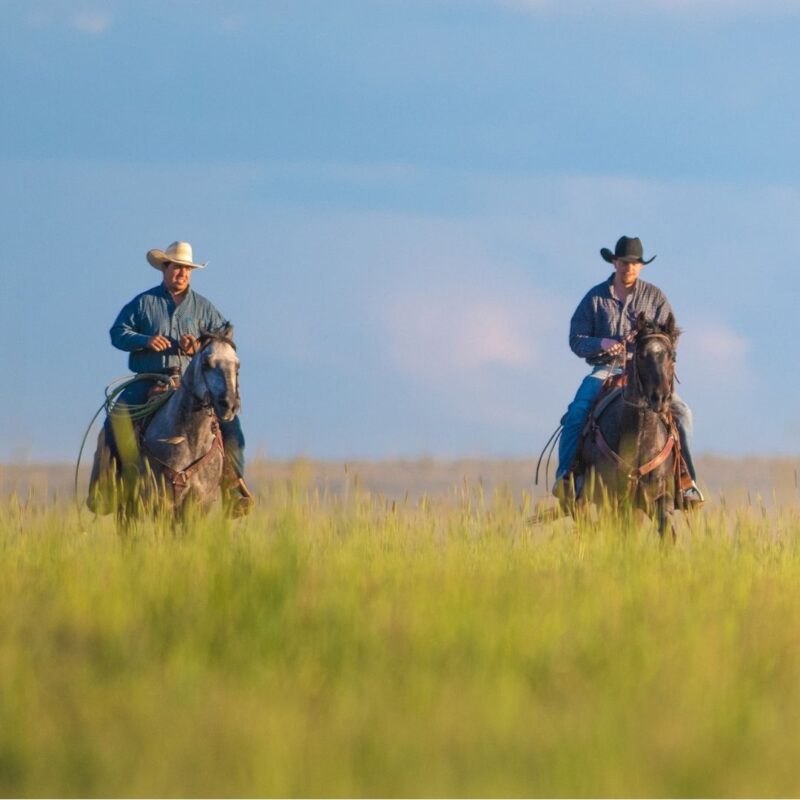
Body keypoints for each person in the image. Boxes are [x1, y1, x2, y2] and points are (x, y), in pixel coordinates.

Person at [90, 240, 253, 516]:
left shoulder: (204, 307)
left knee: (231, 426)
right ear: (164, 268)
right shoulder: (143, 303)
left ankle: (232, 487)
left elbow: (224, 337)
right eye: (177, 268)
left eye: (187, 269)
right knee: (116, 419)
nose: (182, 274)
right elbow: (117, 333)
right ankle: (106, 488)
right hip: (148, 379)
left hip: (192, 385)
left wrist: (199, 347)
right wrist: (145, 340)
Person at [554, 235, 703, 504]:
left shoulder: (655, 298)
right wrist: (602, 342)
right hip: (606, 370)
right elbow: (576, 339)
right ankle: (567, 477)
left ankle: (685, 482)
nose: (629, 268)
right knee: (576, 413)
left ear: (641, 266)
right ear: (614, 262)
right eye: (624, 263)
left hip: (646, 374)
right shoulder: (596, 298)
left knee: (683, 413)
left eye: (635, 264)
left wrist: (652, 355)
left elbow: (669, 337)